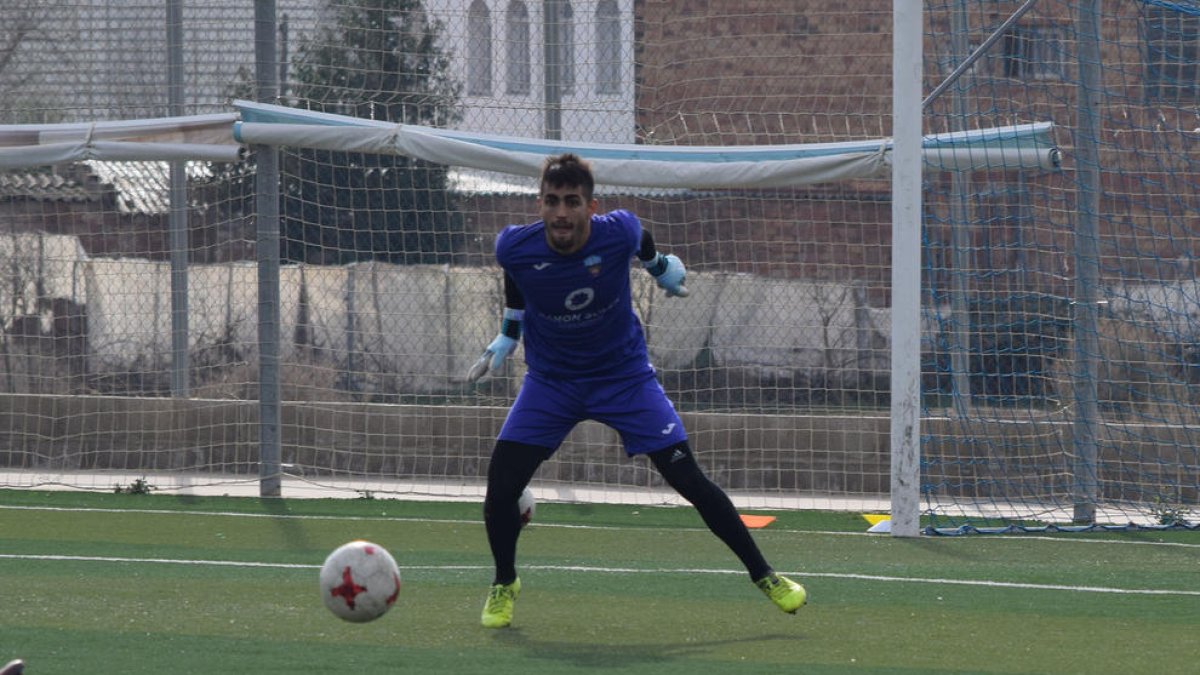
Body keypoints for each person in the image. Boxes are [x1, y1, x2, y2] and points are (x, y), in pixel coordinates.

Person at [468, 153, 806, 629]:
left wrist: (658, 264)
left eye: (571, 202)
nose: (561, 213)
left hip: (623, 378)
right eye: (551, 201)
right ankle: (505, 582)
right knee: (500, 488)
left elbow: (641, 241)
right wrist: (508, 332)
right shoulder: (514, 246)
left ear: (591, 205)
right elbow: (517, 282)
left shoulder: (619, 232)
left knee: (690, 481)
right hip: (552, 383)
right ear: (538, 203)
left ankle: (766, 576)